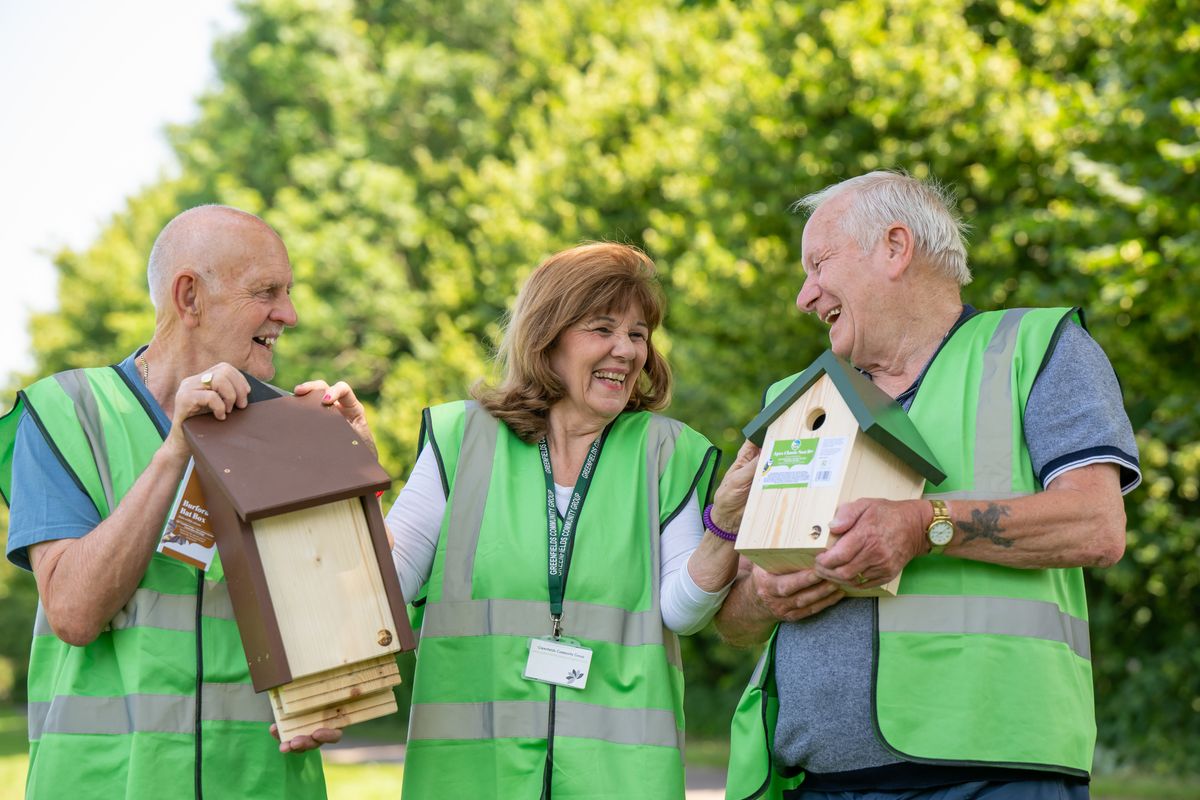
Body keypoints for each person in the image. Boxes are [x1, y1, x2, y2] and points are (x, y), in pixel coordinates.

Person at [715, 172, 1141, 800]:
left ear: (894, 247)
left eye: (818, 265)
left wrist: (922, 525)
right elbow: (735, 618)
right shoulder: (796, 401)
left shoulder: (1033, 348)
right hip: (817, 782)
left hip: (993, 777)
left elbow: (1096, 525)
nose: (805, 297)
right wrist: (767, 596)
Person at [0, 205, 368, 799]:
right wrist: (175, 451)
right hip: (109, 783)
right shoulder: (66, 413)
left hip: (260, 782)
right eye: (267, 292)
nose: (290, 314)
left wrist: (353, 472)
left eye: (288, 292)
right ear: (189, 297)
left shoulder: (291, 423)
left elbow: (348, 620)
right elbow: (72, 611)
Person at [385, 242, 752, 798]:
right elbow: (385, 583)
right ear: (547, 338)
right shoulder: (462, 440)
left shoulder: (665, 451)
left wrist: (724, 525)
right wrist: (347, 481)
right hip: (471, 777)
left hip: (621, 780)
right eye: (602, 329)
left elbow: (682, 611)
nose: (626, 351)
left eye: (637, 334)